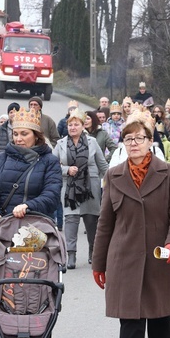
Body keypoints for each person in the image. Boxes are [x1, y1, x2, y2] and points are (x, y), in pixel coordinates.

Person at [92, 119, 170, 338]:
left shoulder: (169, 172)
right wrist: (98, 263)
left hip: (161, 256)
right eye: (129, 139)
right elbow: (105, 223)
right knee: (130, 319)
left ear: (150, 141)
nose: (134, 143)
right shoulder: (114, 176)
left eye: (139, 138)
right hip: (124, 257)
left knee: (160, 314)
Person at [0, 108, 62, 231]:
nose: (18, 139)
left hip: (36, 229)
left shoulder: (50, 161)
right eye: (15, 134)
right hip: (2, 228)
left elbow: (52, 195)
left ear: (36, 135)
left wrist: (28, 206)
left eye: (24, 134)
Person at [53, 110, 108, 269]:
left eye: (76, 124)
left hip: (90, 186)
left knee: (92, 221)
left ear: (83, 126)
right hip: (69, 186)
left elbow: (102, 165)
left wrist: (112, 182)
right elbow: (52, 165)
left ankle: (93, 251)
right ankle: (71, 255)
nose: (72, 127)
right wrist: (66, 170)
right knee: (70, 220)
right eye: (70, 124)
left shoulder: (92, 142)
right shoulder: (61, 144)